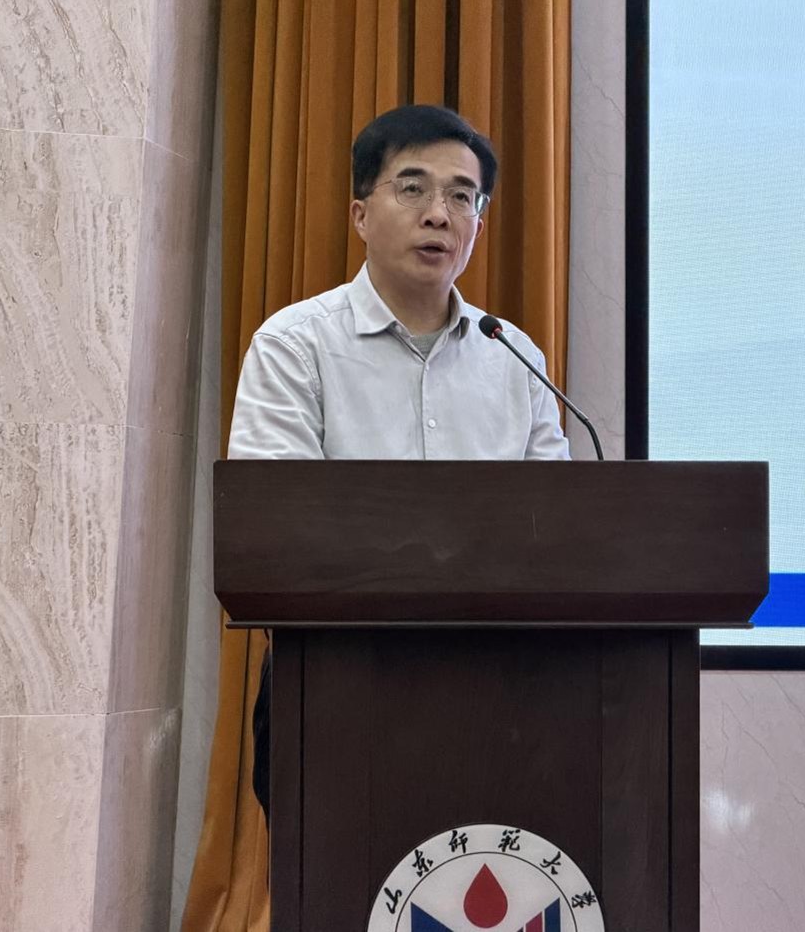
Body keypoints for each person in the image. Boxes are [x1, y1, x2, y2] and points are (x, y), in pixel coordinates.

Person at [227, 105, 571, 821]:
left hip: (499, 688)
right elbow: (272, 531)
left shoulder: (515, 358)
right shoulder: (295, 345)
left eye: (462, 196)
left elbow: (557, 532)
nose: (439, 214)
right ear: (360, 213)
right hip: (335, 681)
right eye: (412, 188)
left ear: (478, 223)